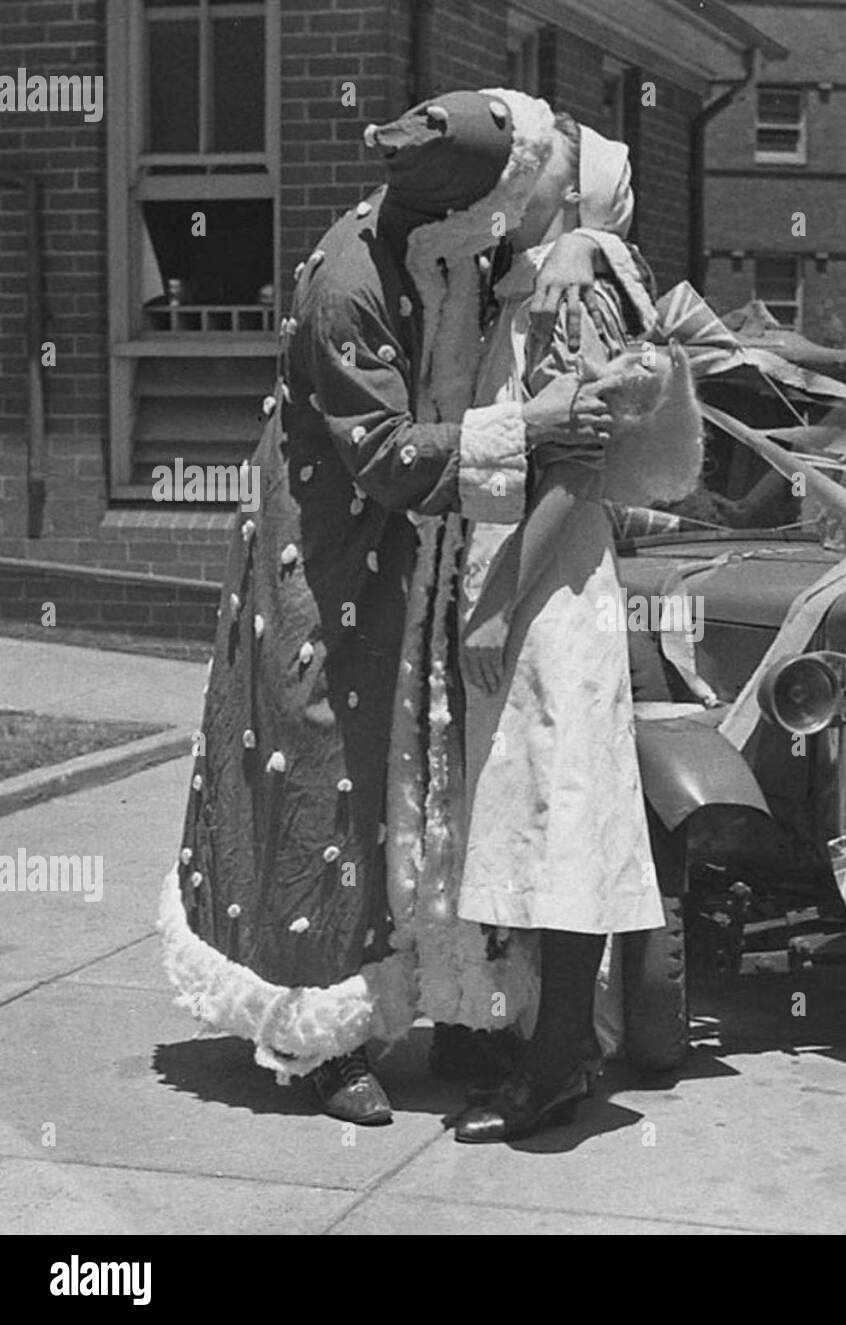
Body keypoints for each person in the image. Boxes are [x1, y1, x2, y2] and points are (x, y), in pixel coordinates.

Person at [158, 89, 623, 1127]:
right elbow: (380, 457)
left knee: (410, 780)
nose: (514, 223)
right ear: (465, 207)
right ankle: (315, 1032)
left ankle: (430, 993)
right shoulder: (350, 282)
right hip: (328, 549)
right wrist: (528, 422)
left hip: (414, 561)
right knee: (323, 762)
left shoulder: (451, 255)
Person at [413, 114, 702, 1143]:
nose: (508, 184)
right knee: (535, 816)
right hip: (530, 576)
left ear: (572, 194)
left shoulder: (577, 270)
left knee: (563, 818)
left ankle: (555, 1068)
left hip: (548, 586)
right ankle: (534, 1042)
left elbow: (578, 460)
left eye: (530, 176)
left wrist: (494, 604)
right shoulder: (524, 275)